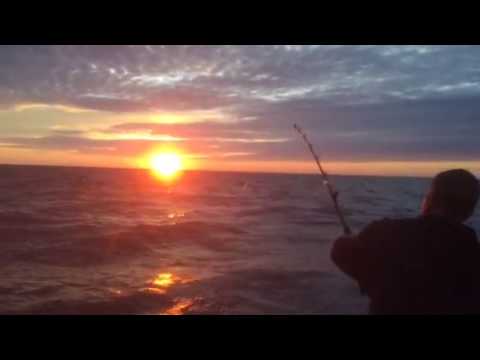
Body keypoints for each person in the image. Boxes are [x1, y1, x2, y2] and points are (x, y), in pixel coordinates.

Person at [331, 169, 480, 314]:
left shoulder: (383, 231)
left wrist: (369, 279)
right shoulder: (473, 254)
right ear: (470, 211)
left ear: (431, 198)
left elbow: (340, 249)